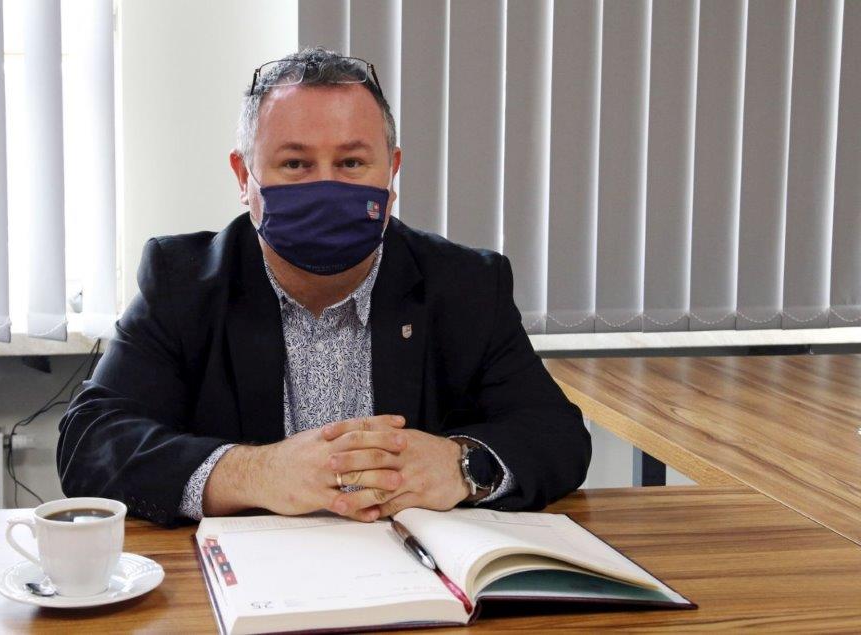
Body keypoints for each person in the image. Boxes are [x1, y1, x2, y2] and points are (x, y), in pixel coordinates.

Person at [57, 47, 590, 527]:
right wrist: (255, 472)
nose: (326, 186)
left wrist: (462, 465)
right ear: (244, 176)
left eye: (352, 162)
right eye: (295, 164)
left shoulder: (466, 284)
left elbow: (557, 434)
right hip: (249, 577)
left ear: (391, 172)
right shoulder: (184, 282)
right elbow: (91, 442)